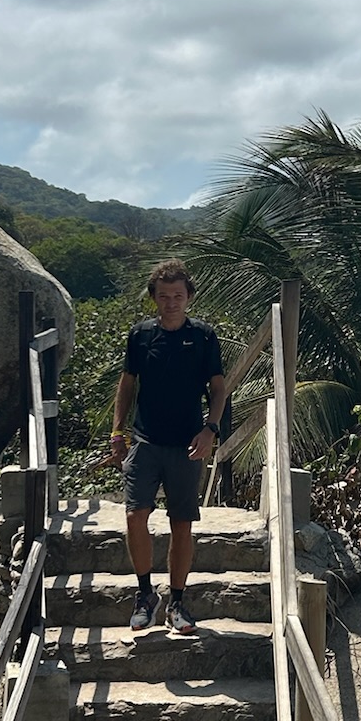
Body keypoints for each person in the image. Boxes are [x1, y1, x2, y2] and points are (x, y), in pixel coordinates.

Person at [108, 260, 228, 634]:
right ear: (154, 299)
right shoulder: (140, 335)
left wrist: (211, 430)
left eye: (178, 295)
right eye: (164, 296)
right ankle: (145, 595)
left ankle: (177, 602)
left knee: (181, 525)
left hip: (187, 442)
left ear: (189, 296)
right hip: (145, 441)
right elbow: (127, 385)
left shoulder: (204, 337)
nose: (171, 302)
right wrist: (117, 431)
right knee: (134, 516)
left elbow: (219, 387)